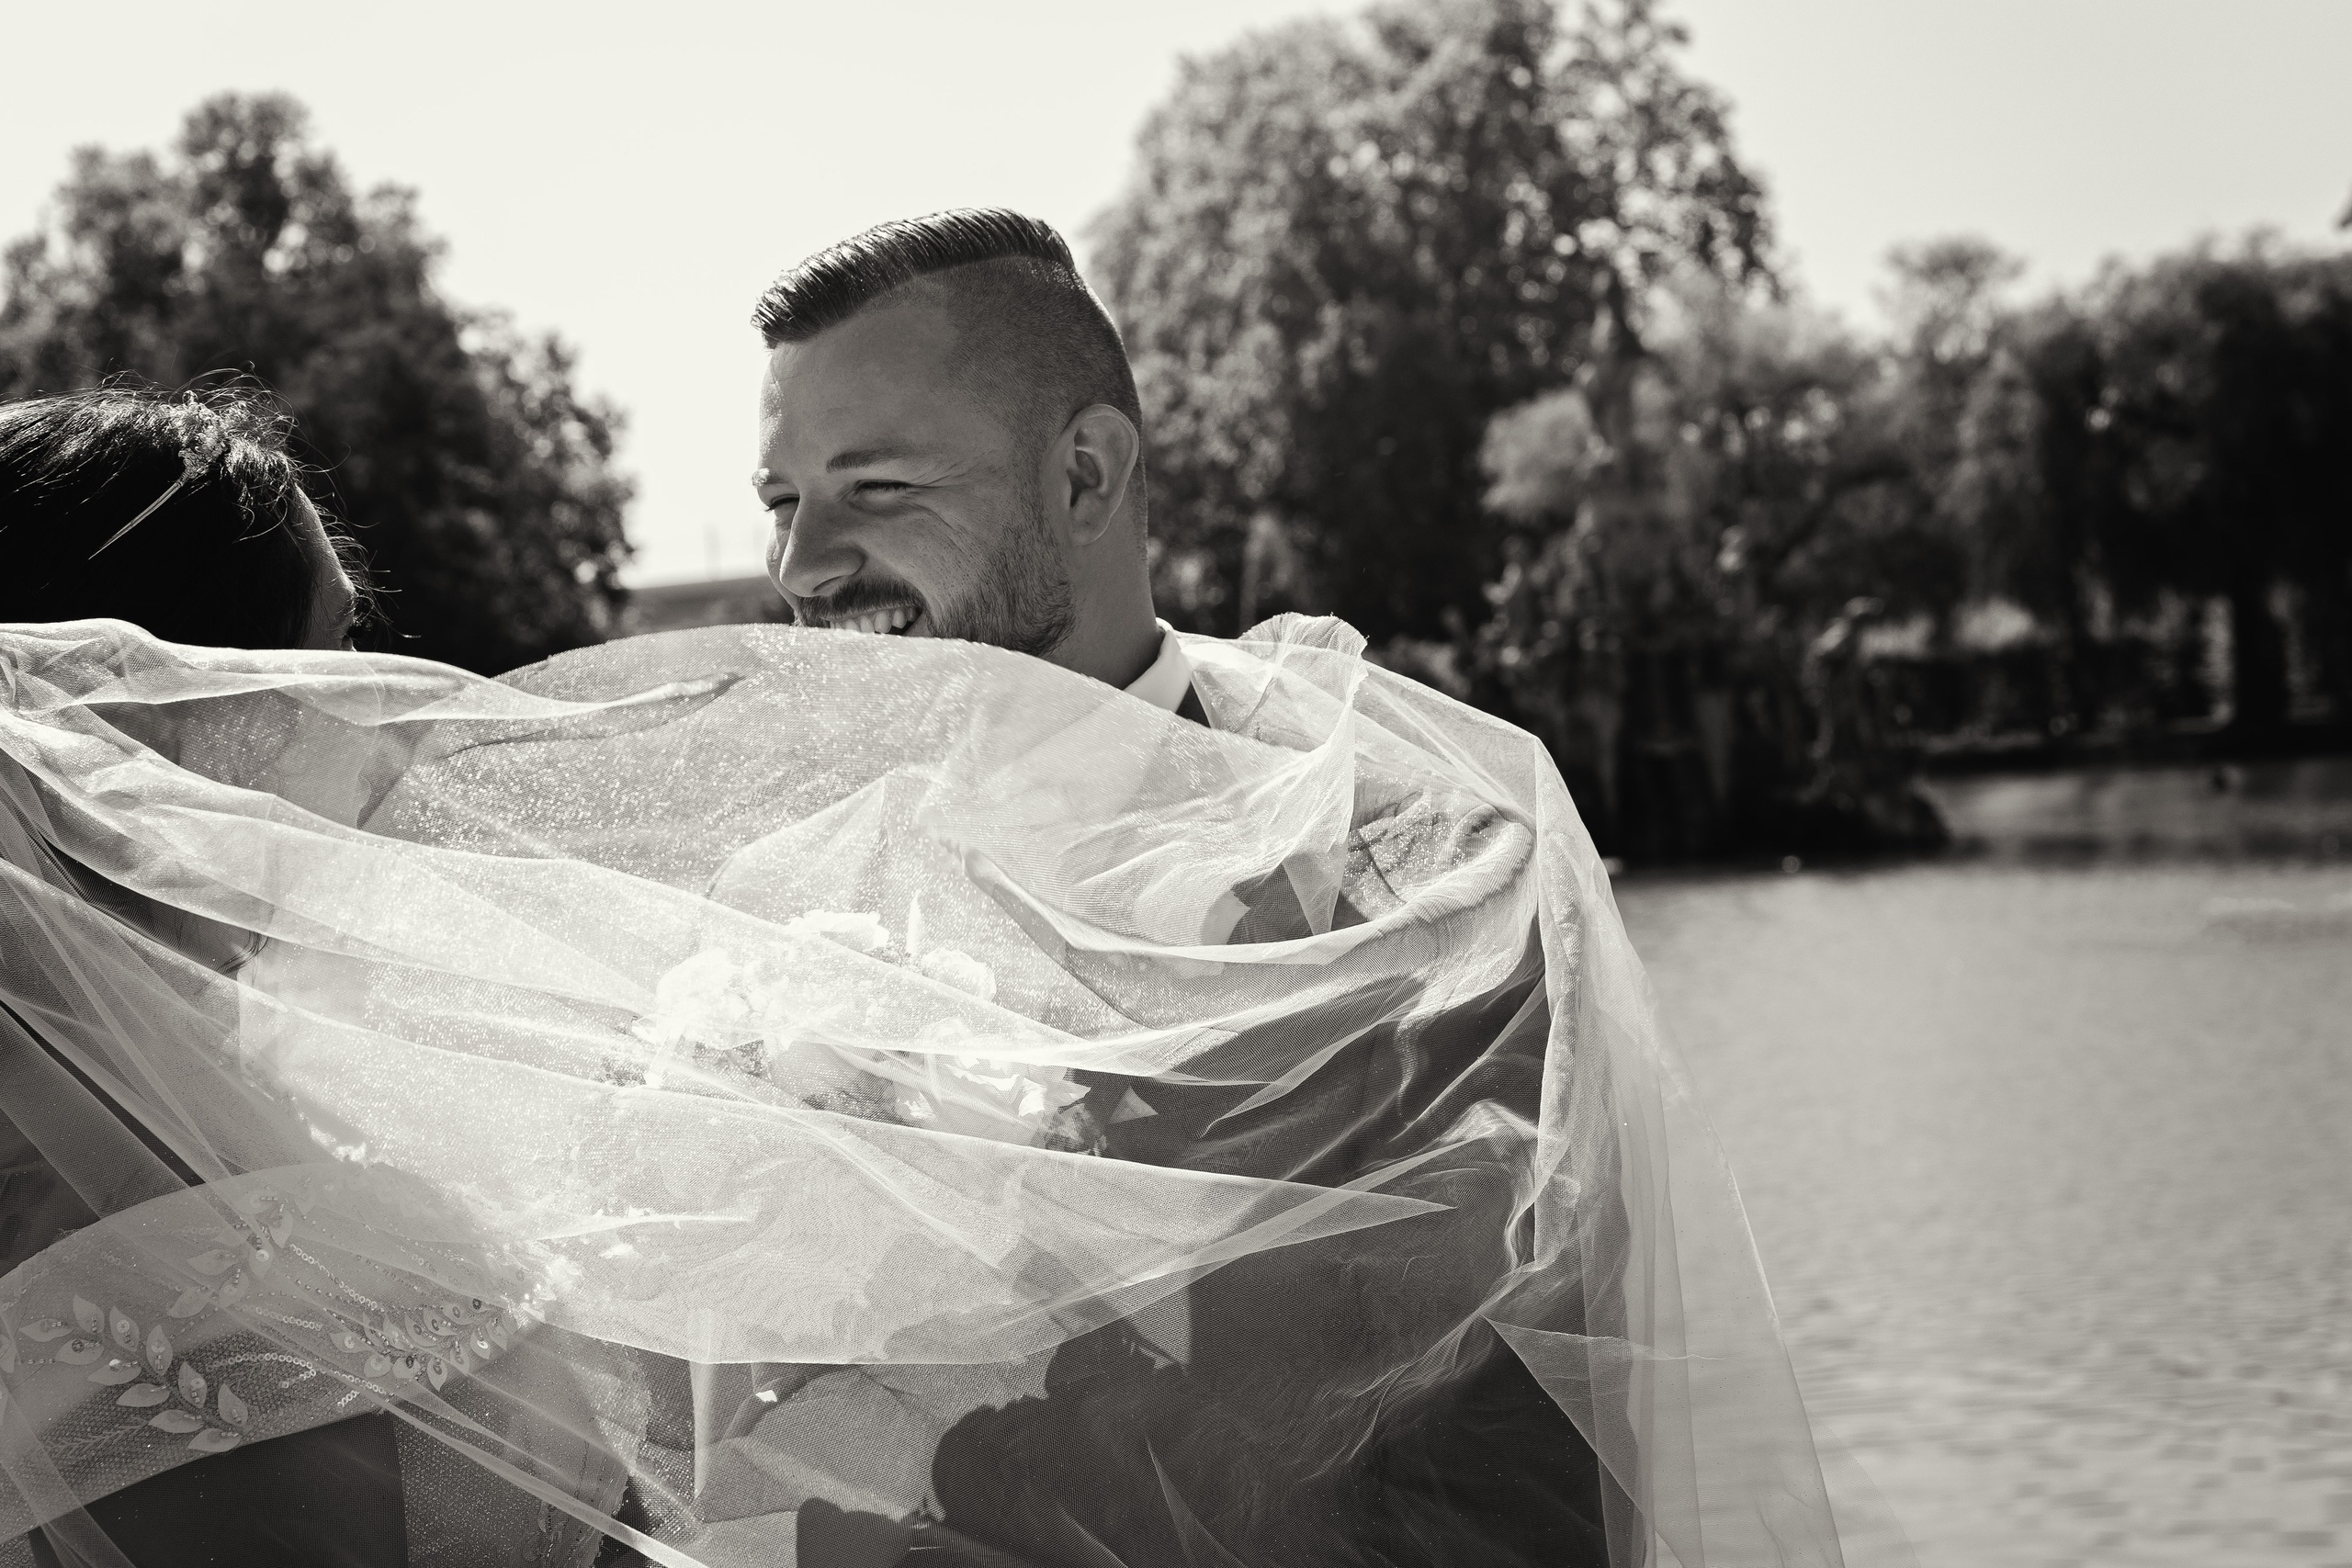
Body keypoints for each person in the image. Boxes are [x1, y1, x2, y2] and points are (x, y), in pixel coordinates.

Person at [0, 383, 400, 1568]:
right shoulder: (165, 1281)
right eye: (335, 653)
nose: (372, 719)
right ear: (172, 724)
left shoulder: (224, 1093)